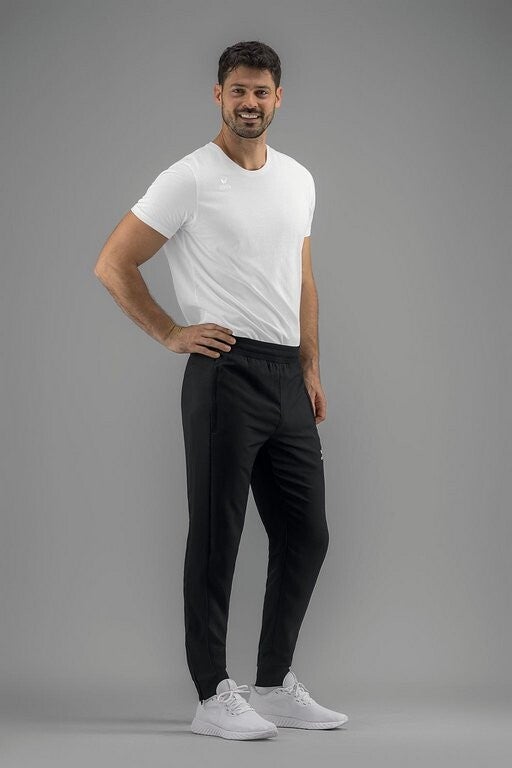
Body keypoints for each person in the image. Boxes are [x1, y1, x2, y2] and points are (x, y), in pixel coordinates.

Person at [94, 40, 348, 741]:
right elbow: (113, 262)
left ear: (279, 98)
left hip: (286, 374)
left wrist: (311, 366)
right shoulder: (189, 178)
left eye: (261, 91)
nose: (250, 102)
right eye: (238, 90)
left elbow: (302, 277)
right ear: (218, 95)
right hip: (225, 372)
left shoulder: (298, 179)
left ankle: (272, 683)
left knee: (308, 534)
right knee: (218, 536)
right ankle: (212, 694)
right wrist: (169, 332)